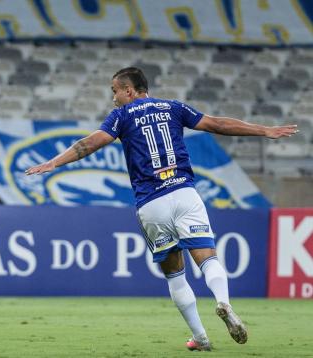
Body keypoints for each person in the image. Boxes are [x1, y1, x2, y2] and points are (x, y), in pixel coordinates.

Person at [26, 67, 298, 351]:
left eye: (115, 91)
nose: (114, 98)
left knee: (175, 274)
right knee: (207, 259)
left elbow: (89, 143)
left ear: (129, 90)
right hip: (183, 192)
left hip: (151, 202)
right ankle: (223, 302)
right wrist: (264, 130)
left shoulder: (121, 116)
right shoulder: (173, 107)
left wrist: (54, 163)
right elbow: (217, 124)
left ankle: (201, 338)